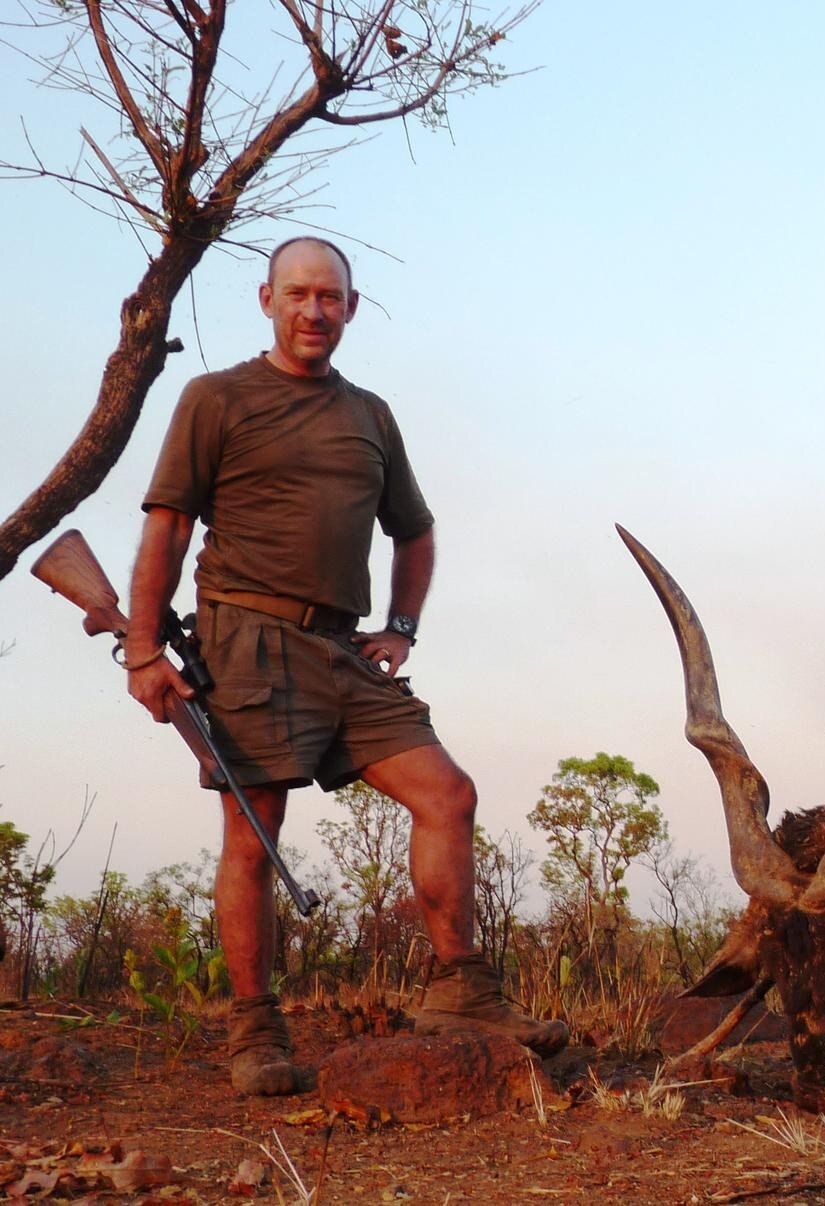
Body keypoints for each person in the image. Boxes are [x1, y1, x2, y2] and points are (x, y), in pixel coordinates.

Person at [124, 237, 566, 1095]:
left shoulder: (371, 414)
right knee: (254, 834)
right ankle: (255, 1033)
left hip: (344, 647)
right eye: (297, 294)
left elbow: (416, 528)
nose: (313, 311)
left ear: (351, 309)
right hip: (244, 640)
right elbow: (169, 527)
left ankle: (461, 993)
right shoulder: (214, 397)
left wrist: (400, 625)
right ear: (266, 300)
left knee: (448, 794)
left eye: (330, 297)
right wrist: (144, 648)